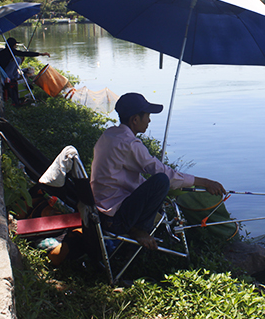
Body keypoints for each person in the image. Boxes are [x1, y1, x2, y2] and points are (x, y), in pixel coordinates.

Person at [90, 92, 225, 250]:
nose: (149, 120)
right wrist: (205, 182)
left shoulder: (109, 134)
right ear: (135, 120)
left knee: (152, 186)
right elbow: (164, 173)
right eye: (147, 116)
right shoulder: (130, 144)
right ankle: (138, 230)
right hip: (114, 218)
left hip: (99, 210)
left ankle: (138, 227)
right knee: (161, 181)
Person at [0, 37, 50, 106]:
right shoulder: (11, 51)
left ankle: (16, 76)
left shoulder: (3, 52)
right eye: (15, 45)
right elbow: (25, 53)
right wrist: (40, 54)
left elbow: (21, 54)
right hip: (7, 74)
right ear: (13, 45)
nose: (16, 47)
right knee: (17, 59)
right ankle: (14, 77)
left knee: (18, 60)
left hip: (3, 71)